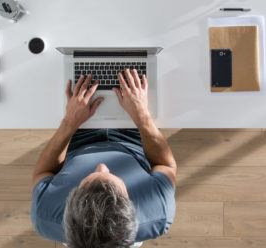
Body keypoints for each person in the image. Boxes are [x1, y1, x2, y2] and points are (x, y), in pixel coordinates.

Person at [31, 69, 177, 248]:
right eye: (114, 177)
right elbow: (165, 164)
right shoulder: (157, 214)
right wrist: (142, 116)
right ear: (132, 205)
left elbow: (43, 172)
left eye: (86, 181)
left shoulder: (45, 216)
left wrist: (70, 121)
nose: (102, 166)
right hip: (135, 136)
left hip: (77, 138)